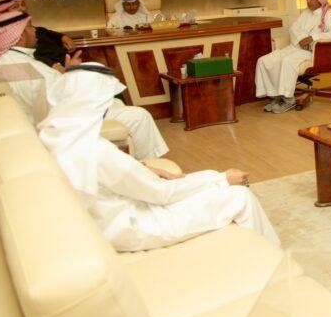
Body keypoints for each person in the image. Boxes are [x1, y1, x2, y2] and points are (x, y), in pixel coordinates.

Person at [38, 64, 279, 251]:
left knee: (203, 180)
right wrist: (222, 178)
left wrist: (142, 167)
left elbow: (114, 176)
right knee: (239, 196)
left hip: (110, 220)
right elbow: (163, 194)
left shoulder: (53, 134)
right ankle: (272, 260)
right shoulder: (96, 150)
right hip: (134, 228)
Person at [0, 10, 170, 160]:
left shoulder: (12, 59)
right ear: (20, 36)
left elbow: (45, 92)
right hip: (62, 123)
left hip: (62, 113)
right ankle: (149, 168)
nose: (35, 31)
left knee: (114, 97)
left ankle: (139, 167)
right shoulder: (15, 65)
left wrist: (67, 73)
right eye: (30, 27)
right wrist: (74, 77)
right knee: (139, 116)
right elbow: (46, 104)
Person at [256, 0, 331, 114]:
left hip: (312, 52)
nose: (308, 1)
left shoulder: (328, 14)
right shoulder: (305, 13)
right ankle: (274, 96)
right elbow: (293, 28)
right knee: (264, 60)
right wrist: (301, 40)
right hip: (295, 47)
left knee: (288, 61)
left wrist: (311, 38)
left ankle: (288, 100)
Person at [0, 0, 74, 70]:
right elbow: (33, 55)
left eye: (23, 4)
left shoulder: (35, 30)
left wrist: (64, 38)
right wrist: (54, 65)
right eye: (15, 7)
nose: (22, 9)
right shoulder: (6, 36)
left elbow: (46, 32)